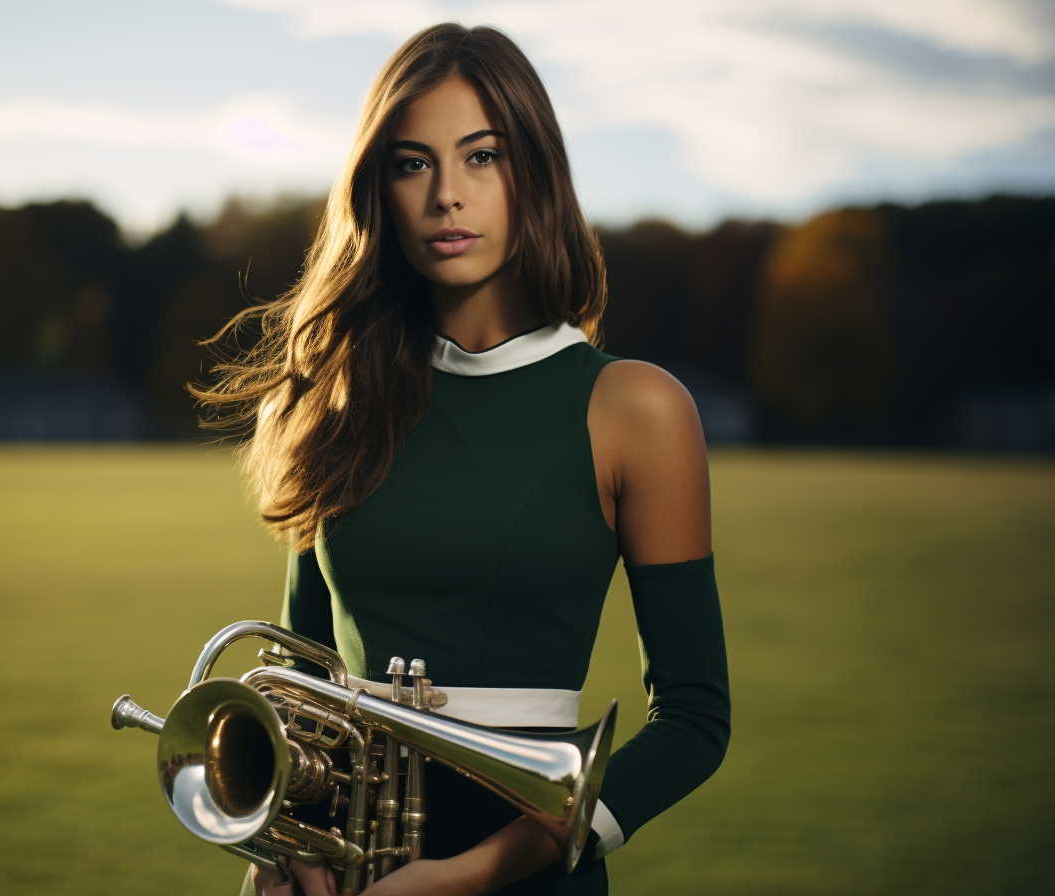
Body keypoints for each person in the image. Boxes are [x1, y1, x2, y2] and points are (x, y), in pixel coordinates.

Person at [193, 23, 730, 896]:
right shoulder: (337, 399)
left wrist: (479, 873)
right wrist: (290, 846)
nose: (447, 195)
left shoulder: (637, 410)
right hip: (346, 871)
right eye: (413, 163)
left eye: (482, 157)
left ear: (536, 175)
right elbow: (301, 679)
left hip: (526, 872)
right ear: (380, 189)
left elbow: (696, 721)